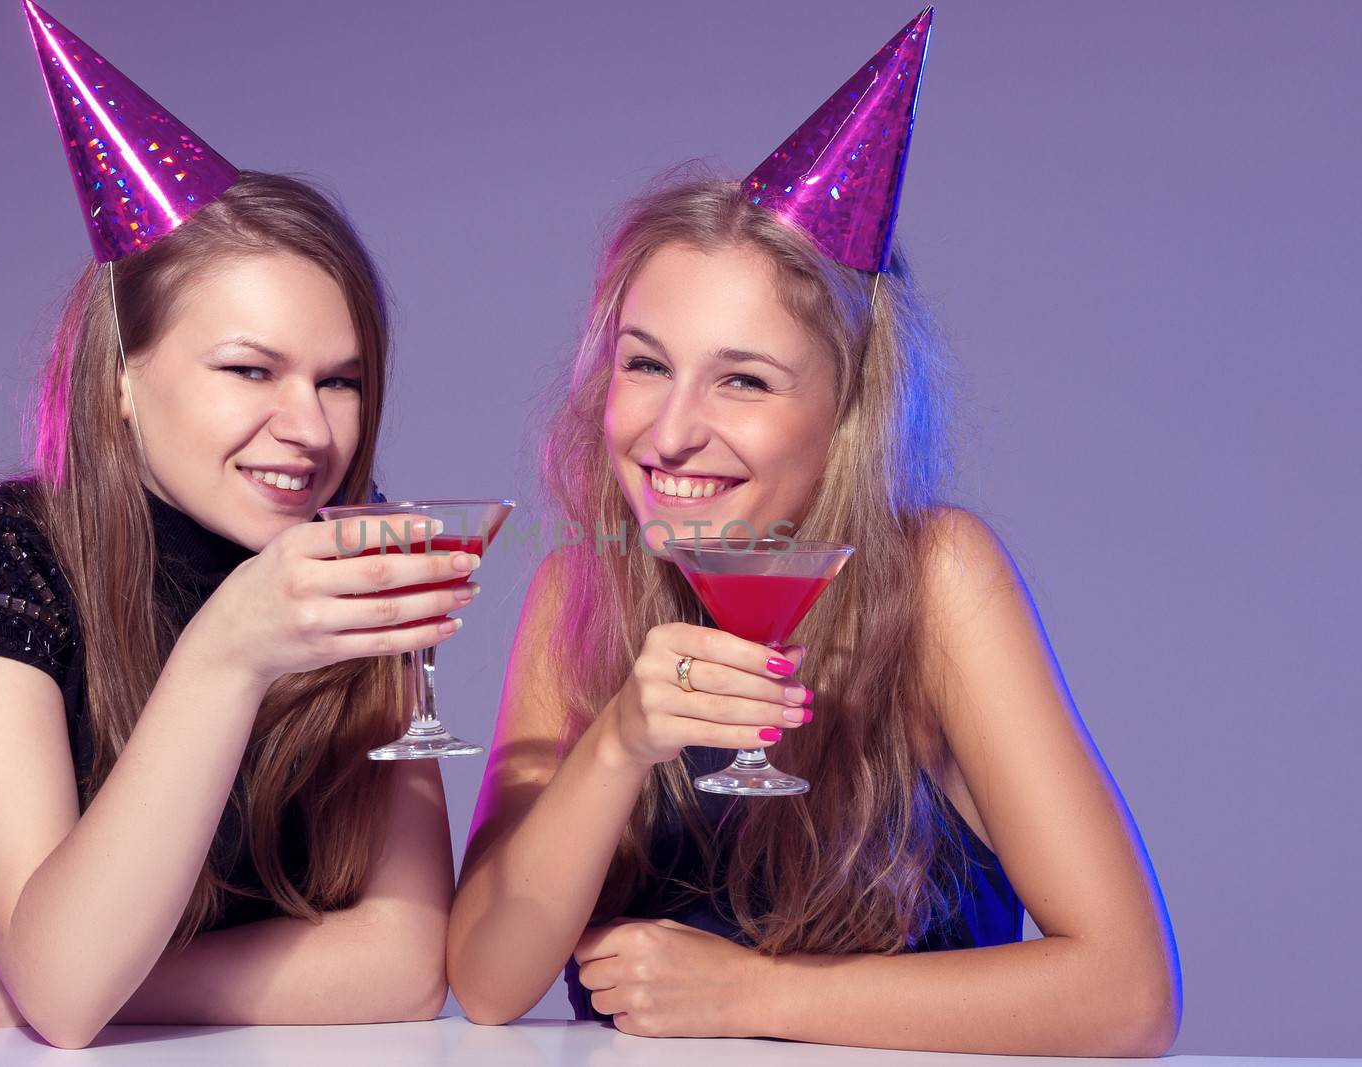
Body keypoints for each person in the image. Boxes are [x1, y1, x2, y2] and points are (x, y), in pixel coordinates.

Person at [447, 10, 1180, 1055]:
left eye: (742, 379)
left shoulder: (935, 580)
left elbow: (1127, 994)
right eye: (645, 363)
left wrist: (753, 995)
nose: (669, 431)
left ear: (845, 409)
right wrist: (615, 743)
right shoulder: (581, 589)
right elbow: (485, 982)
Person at [0, 6, 470, 1048]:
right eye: (249, 369)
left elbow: (409, 962)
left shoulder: (358, 552)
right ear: (118, 380)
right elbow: (65, 987)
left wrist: (89, 987)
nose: (307, 427)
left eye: (340, 380)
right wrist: (229, 655)